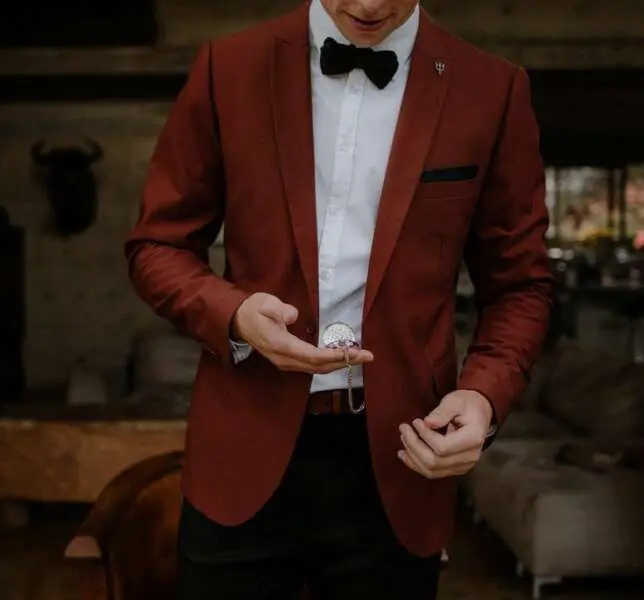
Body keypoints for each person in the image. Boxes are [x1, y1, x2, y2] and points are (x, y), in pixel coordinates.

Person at [125, 0, 554, 598]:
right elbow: (157, 246)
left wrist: (482, 396)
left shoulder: (492, 89)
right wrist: (235, 315)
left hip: (401, 465)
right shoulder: (228, 68)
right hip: (241, 455)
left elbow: (520, 285)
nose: (367, 5)